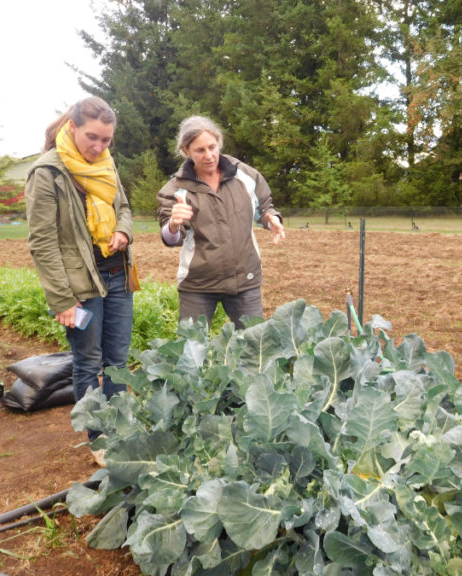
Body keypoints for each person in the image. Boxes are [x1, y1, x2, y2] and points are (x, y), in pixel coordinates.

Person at [25, 97, 135, 464]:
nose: (99, 147)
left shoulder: (106, 164)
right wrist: (62, 301)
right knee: (88, 362)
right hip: (80, 285)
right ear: (72, 128)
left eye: (106, 140)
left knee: (118, 361)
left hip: (117, 273)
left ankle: (121, 429)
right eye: (92, 137)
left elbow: (124, 207)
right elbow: (43, 242)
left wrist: (122, 230)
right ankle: (99, 438)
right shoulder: (48, 173)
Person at [157, 115, 285, 330]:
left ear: (219, 144)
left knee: (255, 347)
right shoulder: (175, 189)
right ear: (186, 151)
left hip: (245, 279)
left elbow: (263, 207)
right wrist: (173, 225)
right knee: (190, 350)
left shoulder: (245, 175)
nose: (209, 156)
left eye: (212, 147)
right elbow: (171, 239)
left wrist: (272, 219)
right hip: (198, 284)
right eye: (200, 150)